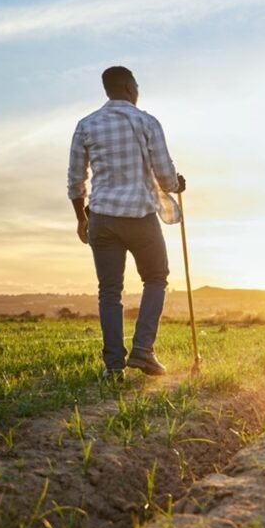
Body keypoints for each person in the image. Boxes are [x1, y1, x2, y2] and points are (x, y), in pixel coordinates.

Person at [67, 66, 186, 381]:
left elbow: (75, 180)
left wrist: (82, 218)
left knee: (109, 290)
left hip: (102, 218)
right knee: (156, 278)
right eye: (136, 83)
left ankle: (113, 366)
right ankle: (143, 351)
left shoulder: (86, 125)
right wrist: (176, 184)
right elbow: (164, 174)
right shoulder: (146, 121)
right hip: (140, 217)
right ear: (128, 87)